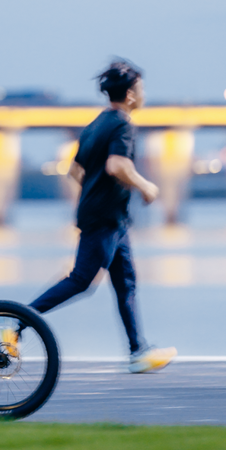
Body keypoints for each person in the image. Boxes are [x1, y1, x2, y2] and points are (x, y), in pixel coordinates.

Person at [30, 59, 176, 373]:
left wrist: (98, 193)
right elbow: (116, 166)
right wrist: (145, 186)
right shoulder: (123, 124)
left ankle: (138, 351)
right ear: (131, 95)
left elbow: (75, 170)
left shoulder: (96, 124)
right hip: (105, 217)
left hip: (109, 217)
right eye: (142, 88)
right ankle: (17, 323)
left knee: (126, 282)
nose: (144, 93)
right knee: (81, 281)